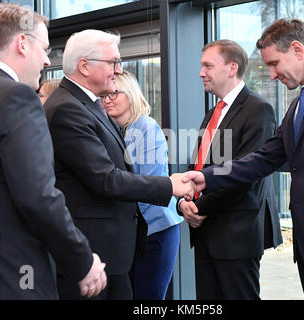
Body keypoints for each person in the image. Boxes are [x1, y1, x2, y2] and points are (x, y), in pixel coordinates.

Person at [184, 19, 304, 300]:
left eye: (274, 64)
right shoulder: (300, 102)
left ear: (298, 49)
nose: (272, 75)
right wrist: (207, 177)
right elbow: (265, 157)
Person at [0, 3, 106, 299]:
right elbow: (37, 196)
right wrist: (82, 261)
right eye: (44, 49)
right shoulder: (17, 97)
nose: (45, 60)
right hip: (9, 273)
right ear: (21, 43)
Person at [43, 29, 193, 300]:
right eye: (113, 62)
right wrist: (170, 185)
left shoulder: (83, 105)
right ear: (85, 66)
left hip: (110, 251)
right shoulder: (69, 108)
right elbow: (106, 179)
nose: (119, 69)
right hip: (95, 252)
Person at [177, 40, 282, 300]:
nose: (201, 73)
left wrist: (199, 209)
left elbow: (245, 177)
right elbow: (198, 166)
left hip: (237, 235)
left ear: (232, 68)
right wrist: (184, 202)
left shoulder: (259, 110)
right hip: (204, 231)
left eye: (208, 66)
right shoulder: (213, 112)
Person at [103, 70, 184, 300]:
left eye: (114, 93)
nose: (107, 99)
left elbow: (152, 182)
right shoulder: (115, 130)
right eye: (104, 95)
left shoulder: (145, 127)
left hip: (156, 230)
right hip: (131, 233)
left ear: (130, 94)